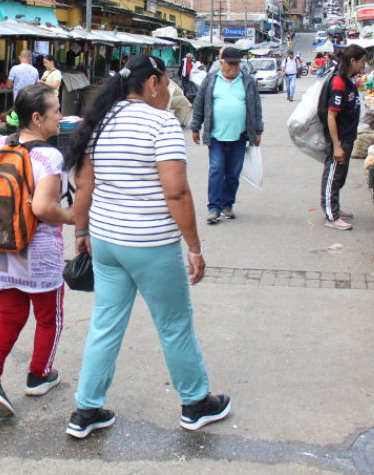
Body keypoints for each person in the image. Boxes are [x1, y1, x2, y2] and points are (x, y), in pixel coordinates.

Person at [63, 53, 230, 439]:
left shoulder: (100, 121)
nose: (168, 89)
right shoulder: (161, 122)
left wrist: (81, 232)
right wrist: (194, 246)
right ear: (153, 83)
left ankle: (86, 410)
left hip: (105, 242)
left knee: (105, 325)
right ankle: (195, 403)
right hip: (150, 244)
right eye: (166, 82)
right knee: (174, 324)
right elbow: (176, 192)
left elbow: (84, 186)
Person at [0, 84, 73, 417]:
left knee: (9, 313)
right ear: (37, 117)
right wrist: (70, 216)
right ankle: (39, 375)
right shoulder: (50, 156)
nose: (61, 116)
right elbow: (43, 209)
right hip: (37, 250)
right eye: (56, 110)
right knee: (48, 317)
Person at [191, 46, 264, 224]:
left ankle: (227, 204)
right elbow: (199, 104)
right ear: (221, 62)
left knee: (232, 174)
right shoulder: (210, 79)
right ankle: (214, 208)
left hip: (239, 137)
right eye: (230, 63)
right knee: (216, 170)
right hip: (216, 136)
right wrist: (195, 127)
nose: (233, 67)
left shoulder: (247, 81)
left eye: (236, 64)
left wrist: (258, 131)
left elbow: (256, 107)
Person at [321, 44, 367, 231]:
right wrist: (337, 145)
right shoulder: (339, 82)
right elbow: (331, 115)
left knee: (340, 176)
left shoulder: (349, 79)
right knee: (332, 176)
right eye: (362, 61)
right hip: (339, 139)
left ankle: (335, 208)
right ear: (353, 61)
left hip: (347, 136)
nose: (364, 66)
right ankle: (331, 216)